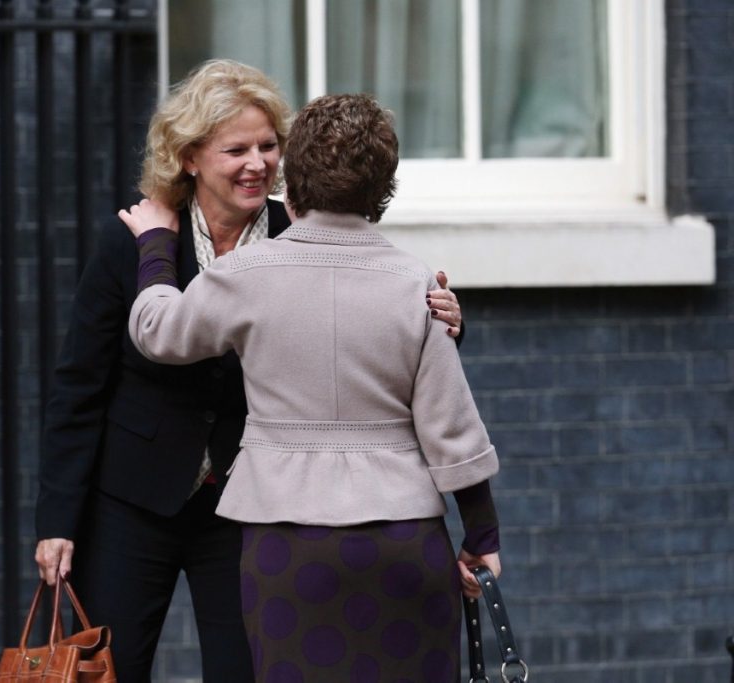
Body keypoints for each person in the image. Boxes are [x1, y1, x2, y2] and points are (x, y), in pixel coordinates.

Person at [34, 60, 463, 682]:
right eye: (236, 149)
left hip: (249, 504)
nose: (258, 164)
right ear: (189, 157)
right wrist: (57, 524)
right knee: (110, 670)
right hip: (132, 502)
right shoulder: (133, 241)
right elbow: (78, 389)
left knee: (246, 671)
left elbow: (372, 317)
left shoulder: (303, 233)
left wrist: (446, 318)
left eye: (269, 146)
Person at [121, 93, 501, 682]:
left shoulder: (245, 276)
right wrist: (482, 535)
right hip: (404, 540)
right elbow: (450, 426)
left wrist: (154, 246)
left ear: (291, 183)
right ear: (383, 188)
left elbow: (156, 331)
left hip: (287, 546)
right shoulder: (414, 282)